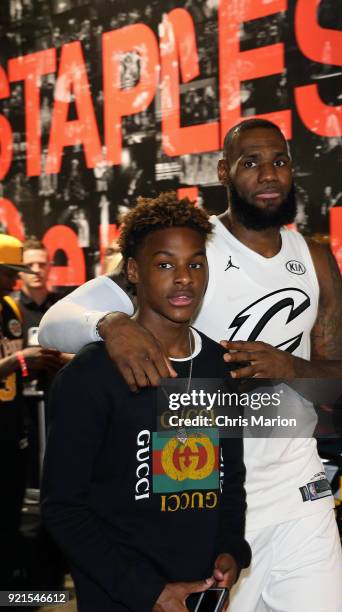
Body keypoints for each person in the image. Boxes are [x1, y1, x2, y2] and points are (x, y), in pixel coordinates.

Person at [39, 118, 342, 611]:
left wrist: (289, 367)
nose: (268, 175)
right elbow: (58, 321)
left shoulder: (313, 258)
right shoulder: (191, 244)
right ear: (224, 172)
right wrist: (111, 324)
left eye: (279, 162)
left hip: (296, 488)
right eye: (250, 163)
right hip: (200, 496)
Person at [41, 194, 250, 612]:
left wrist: (230, 551)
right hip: (120, 598)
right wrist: (147, 591)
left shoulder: (219, 366)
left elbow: (229, 480)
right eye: (165, 264)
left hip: (200, 592)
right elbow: (63, 508)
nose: (184, 278)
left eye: (195, 263)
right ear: (134, 271)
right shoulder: (91, 374)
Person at [0, 234, 62, 588]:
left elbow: (20, 370)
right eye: (8, 272)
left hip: (12, 421)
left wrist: (30, 364)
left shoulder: (10, 310)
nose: (14, 280)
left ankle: (11, 587)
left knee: (11, 506)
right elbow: (16, 362)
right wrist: (21, 360)